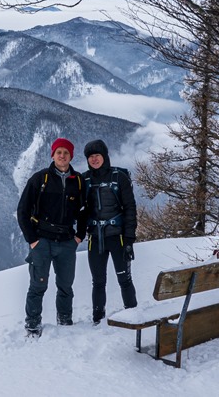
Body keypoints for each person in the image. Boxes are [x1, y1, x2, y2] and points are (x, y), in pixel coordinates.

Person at [16, 137, 86, 336]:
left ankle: (65, 321)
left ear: (71, 156)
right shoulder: (40, 179)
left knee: (66, 286)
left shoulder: (78, 181)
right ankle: (32, 324)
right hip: (42, 240)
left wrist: (79, 236)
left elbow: (84, 211)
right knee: (38, 285)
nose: (62, 156)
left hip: (67, 241)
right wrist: (32, 240)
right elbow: (23, 210)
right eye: (59, 152)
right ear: (53, 155)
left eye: (66, 152)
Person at [81, 139, 138, 324]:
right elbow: (79, 209)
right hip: (95, 238)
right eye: (90, 157)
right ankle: (98, 319)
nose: (94, 159)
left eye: (97, 155)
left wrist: (129, 239)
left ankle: (134, 316)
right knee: (98, 282)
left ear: (105, 156)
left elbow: (130, 208)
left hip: (118, 238)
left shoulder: (119, 177)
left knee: (124, 279)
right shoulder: (84, 180)